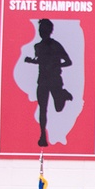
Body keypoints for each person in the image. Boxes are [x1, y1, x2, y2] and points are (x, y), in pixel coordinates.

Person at [24, 18, 73, 147]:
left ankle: (63, 95)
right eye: (40, 30)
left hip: (55, 80)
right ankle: (42, 136)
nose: (42, 32)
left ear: (49, 31)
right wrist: (31, 61)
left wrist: (56, 65)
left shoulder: (56, 45)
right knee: (42, 109)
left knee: (58, 108)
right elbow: (40, 61)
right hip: (43, 81)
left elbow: (69, 61)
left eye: (44, 30)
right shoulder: (38, 47)